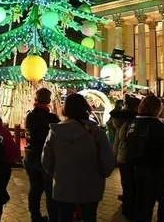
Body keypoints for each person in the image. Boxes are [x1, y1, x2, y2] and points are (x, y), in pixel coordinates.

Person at [42, 93, 115, 222]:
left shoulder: (55, 132)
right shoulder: (96, 132)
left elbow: (46, 161)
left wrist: (57, 173)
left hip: (63, 185)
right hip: (91, 184)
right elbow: (108, 160)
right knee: (89, 216)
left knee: (64, 216)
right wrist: (103, 173)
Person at [123, 94, 164, 222]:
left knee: (136, 201)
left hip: (132, 168)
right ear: (156, 108)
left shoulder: (133, 123)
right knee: (147, 204)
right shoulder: (157, 125)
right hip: (151, 169)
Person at [24, 88, 60, 222]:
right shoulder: (51, 118)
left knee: (34, 189)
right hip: (45, 159)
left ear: (35, 99)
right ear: (49, 100)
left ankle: (35, 216)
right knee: (50, 192)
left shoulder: (30, 115)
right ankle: (53, 218)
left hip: (29, 156)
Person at [111, 95, 139, 211]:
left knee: (126, 180)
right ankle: (129, 205)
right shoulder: (130, 120)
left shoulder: (119, 118)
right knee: (130, 181)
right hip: (129, 153)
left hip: (121, 154)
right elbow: (125, 137)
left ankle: (127, 200)